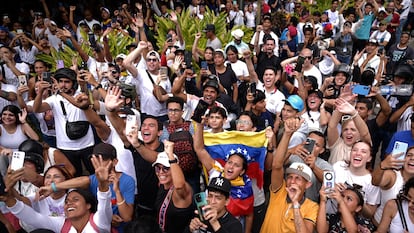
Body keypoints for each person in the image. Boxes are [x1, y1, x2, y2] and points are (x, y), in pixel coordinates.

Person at [37, 143, 135, 233]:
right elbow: (82, 181)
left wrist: (117, 191)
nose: (98, 162)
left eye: (103, 159)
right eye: (95, 158)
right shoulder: (91, 179)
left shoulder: (127, 180)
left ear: (114, 162)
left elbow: (126, 217)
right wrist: (52, 187)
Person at [1, 153, 113, 232]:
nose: (69, 203)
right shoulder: (61, 223)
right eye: (48, 177)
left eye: (56, 176)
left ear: (88, 205)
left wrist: (103, 185)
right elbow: (30, 215)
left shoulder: (98, 221)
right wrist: (7, 194)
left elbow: (103, 203)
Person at [33, 67, 96, 177]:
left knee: (94, 173)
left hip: (87, 143)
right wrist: (40, 93)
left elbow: (79, 103)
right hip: (65, 146)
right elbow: (36, 109)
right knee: (73, 175)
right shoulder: (54, 98)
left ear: (73, 83)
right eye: (60, 81)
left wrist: (60, 92)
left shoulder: (80, 93)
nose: (63, 85)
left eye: (67, 82)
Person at [260, 118, 319, 233]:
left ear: (308, 184)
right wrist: (287, 134)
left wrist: (295, 203)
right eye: (290, 177)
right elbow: (277, 165)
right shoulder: (279, 191)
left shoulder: (312, 207)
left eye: (298, 178)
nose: (292, 181)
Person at [152, 141, 194, 233]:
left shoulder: (182, 190)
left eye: (166, 168)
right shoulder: (162, 185)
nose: (161, 172)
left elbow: (179, 186)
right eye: (158, 168)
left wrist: (171, 156)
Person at [372, 146, 414, 225]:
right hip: (377, 225)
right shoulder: (392, 175)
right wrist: (383, 165)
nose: (412, 158)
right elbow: (375, 182)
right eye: (409, 155)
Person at [0, 105, 39, 176]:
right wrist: (5, 149)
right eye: (4, 114)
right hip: (5, 157)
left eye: (11, 115)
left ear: (17, 116)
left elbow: (35, 139)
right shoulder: (0, 128)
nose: (7, 117)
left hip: (22, 157)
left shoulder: (22, 127)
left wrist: (24, 121)